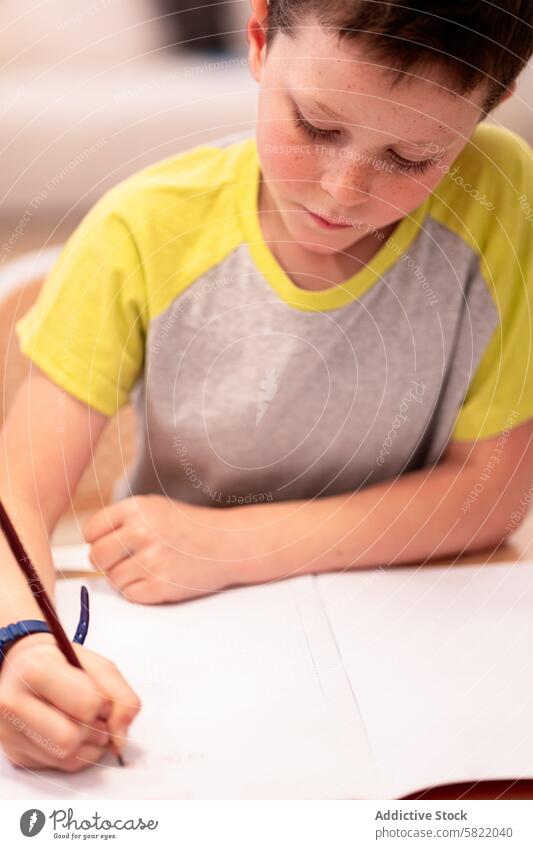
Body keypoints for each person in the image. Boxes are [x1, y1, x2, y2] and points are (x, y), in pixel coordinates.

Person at [1, 0, 533, 773]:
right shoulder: (142, 228)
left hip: (418, 649)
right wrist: (18, 643)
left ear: (489, 109)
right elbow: (14, 500)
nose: (343, 191)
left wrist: (235, 543)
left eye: (412, 156)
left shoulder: (502, 193)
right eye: (316, 127)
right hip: (193, 644)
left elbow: (497, 488)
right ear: (257, 39)